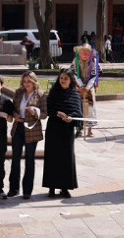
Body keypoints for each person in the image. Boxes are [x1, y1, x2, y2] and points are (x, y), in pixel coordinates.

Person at [42, 68, 82, 199]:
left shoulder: (75, 95)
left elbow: (78, 113)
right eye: (61, 78)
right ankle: (51, 187)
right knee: (52, 157)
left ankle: (65, 188)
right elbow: (48, 109)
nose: (63, 81)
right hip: (53, 128)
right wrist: (56, 113)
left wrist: (71, 117)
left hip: (67, 130)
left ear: (71, 80)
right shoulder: (54, 92)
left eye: (66, 78)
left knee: (66, 158)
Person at [8, 71, 47, 199]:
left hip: (32, 130)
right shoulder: (18, 92)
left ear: (34, 82)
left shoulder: (40, 95)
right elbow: (12, 108)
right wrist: (15, 115)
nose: (26, 84)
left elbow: (44, 114)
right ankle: (13, 189)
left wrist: (35, 113)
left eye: (29, 81)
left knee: (29, 160)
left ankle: (27, 190)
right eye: (24, 81)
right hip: (18, 127)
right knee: (15, 159)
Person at [72, 44, 100, 138]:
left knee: (90, 108)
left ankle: (89, 130)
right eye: (82, 52)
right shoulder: (76, 61)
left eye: (87, 53)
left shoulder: (93, 62)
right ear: (79, 53)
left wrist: (87, 88)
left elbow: (94, 76)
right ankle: (79, 128)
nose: (85, 54)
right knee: (78, 107)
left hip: (89, 87)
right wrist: (80, 87)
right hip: (78, 87)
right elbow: (74, 74)